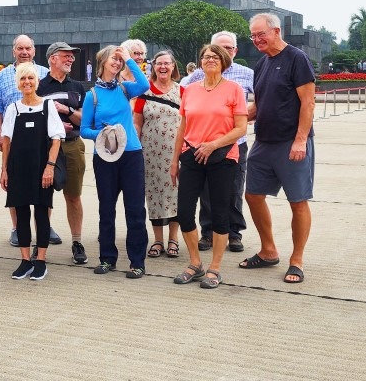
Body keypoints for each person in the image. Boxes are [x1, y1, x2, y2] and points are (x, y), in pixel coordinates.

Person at [239, 13, 316, 285]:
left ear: (276, 31)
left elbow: (308, 103)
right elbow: (258, 107)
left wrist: (300, 140)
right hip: (264, 142)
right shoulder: (262, 64)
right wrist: (231, 117)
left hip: (291, 142)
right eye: (253, 36)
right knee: (252, 195)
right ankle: (268, 250)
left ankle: (297, 260)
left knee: (298, 201)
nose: (257, 39)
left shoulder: (297, 59)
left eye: (261, 34)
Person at [169, 44, 248, 289]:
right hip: (191, 155)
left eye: (215, 57)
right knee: (183, 212)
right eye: (205, 57)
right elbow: (183, 127)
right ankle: (195, 263)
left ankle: (215, 268)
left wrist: (212, 145)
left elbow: (241, 128)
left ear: (224, 61)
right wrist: (174, 161)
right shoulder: (190, 90)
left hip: (223, 158)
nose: (209, 60)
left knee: (220, 214)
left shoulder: (234, 90)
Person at [80, 45, 150, 278]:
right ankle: (107, 258)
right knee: (107, 209)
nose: (117, 63)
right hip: (106, 156)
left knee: (135, 210)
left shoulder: (124, 88)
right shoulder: (93, 95)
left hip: (131, 155)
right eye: (115, 59)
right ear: (102, 61)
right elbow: (84, 130)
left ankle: (137, 261)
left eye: (120, 60)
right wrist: (102, 133)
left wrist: (130, 59)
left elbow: (144, 85)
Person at [185, 31, 255, 253]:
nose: (222, 53)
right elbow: (182, 96)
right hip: (201, 145)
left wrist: (245, 115)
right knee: (206, 191)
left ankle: (233, 233)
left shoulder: (246, 74)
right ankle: (208, 232)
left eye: (229, 48)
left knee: (233, 189)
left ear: (235, 51)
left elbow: (263, 98)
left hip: (234, 143)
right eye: (217, 49)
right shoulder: (198, 76)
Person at [0, 62, 65, 280]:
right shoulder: (13, 109)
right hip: (18, 169)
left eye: (30, 78)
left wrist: (50, 167)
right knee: (21, 214)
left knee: (41, 213)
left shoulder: (47, 106)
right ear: (18, 84)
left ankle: (40, 261)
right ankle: (25, 260)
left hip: (41, 169)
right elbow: (6, 142)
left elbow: (56, 140)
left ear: (36, 81)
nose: (27, 82)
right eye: (22, 79)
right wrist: (4, 170)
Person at [0, 35, 57, 248]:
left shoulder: (45, 73)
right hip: (14, 137)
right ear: (13, 51)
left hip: (40, 140)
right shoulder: (3, 75)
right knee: (16, 187)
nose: (24, 52)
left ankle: (43, 227)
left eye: (28, 48)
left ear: (34, 50)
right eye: (20, 48)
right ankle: (16, 228)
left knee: (42, 187)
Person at [37, 42, 89, 264]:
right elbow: (33, 117)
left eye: (72, 57)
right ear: (52, 59)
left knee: (74, 196)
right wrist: (55, 126)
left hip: (72, 145)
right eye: (65, 56)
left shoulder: (77, 87)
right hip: (46, 148)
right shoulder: (38, 86)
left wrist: (66, 111)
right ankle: (41, 244)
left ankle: (76, 242)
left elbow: (84, 119)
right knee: (43, 198)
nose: (70, 59)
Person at [133, 50, 183, 260]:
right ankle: (158, 240)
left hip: (177, 152)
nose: (163, 67)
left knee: (176, 194)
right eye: (158, 63)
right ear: (153, 66)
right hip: (150, 154)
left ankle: (173, 239)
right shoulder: (145, 92)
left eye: (166, 63)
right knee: (153, 195)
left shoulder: (184, 91)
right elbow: (137, 121)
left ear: (173, 67)